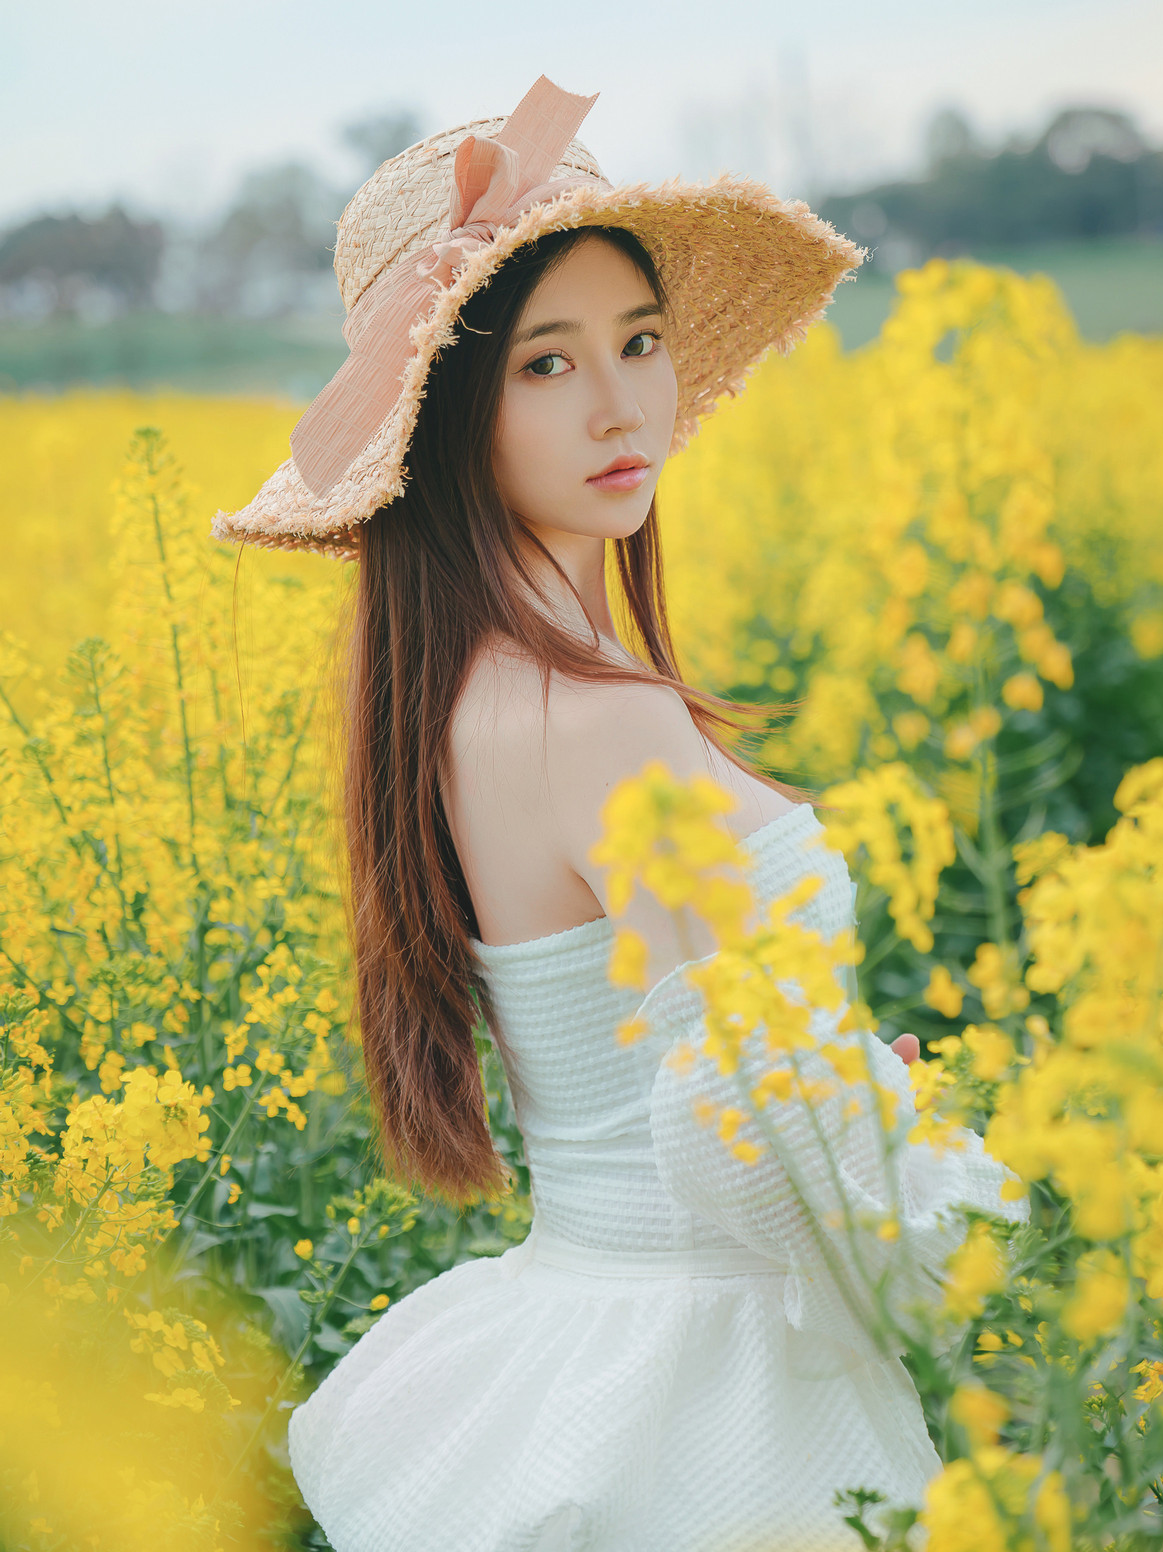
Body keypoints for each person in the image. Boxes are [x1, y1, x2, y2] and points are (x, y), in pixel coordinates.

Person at [214, 77, 1024, 1552]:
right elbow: (747, 1137)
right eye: (546, 363)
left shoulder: (467, 693)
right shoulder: (603, 719)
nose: (621, 403)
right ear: (448, 411)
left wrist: (837, 1089)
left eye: (640, 341)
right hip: (723, 1392)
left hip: (585, 1338)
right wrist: (901, 1141)